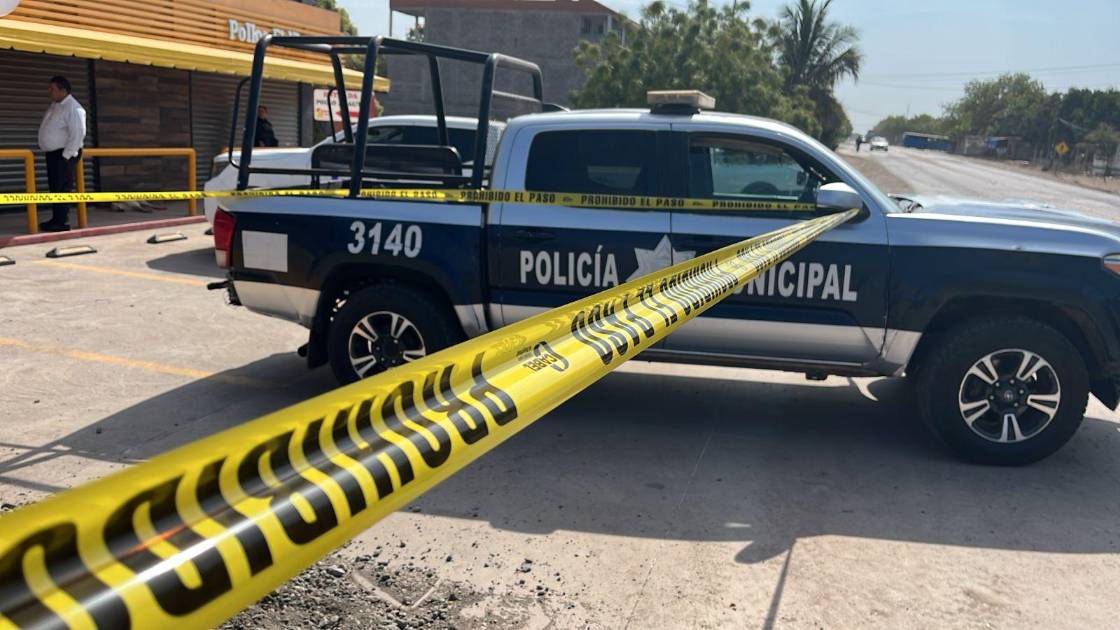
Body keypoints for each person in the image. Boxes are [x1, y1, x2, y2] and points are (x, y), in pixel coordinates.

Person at [37, 76, 87, 232]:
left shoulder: (74, 108)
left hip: (64, 154)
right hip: (53, 154)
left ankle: (62, 222)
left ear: (63, 90)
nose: (49, 91)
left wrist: (66, 156)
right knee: (55, 188)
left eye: (52, 89)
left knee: (62, 188)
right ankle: (56, 219)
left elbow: (78, 133)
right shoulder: (55, 105)